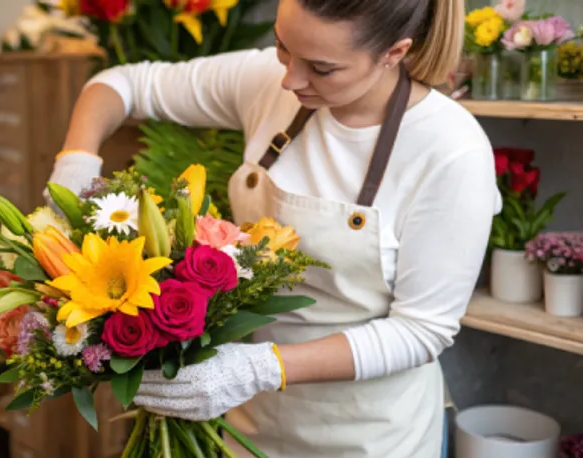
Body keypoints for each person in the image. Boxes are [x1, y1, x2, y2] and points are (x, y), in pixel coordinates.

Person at [44, 0, 501, 456]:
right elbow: (121, 84)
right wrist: (76, 162)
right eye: (283, 47)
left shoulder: (450, 151)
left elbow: (421, 330)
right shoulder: (268, 82)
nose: (290, 80)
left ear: (394, 52)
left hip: (370, 434)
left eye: (322, 69)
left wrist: (257, 368)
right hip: (251, 424)